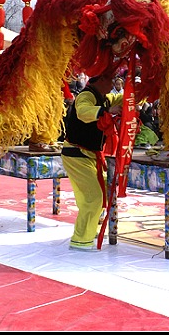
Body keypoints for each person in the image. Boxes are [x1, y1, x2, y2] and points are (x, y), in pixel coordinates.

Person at [60, 72, 123, 251]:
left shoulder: (103, 97)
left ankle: (87, 229)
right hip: (77, 154)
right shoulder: (86, 95)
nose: (112, 84)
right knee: (94, 197)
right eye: (110, 79)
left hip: (88, 155)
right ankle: (80, 239)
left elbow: (120, 99)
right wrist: (105, 111)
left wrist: (140, 91)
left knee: (89, 196)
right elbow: (83, 112)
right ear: (100, 80)